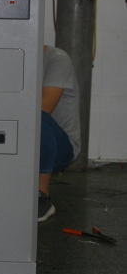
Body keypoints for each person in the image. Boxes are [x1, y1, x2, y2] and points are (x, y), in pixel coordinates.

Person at [38, 45, 81, 221]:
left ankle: (42, 195)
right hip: (33, 140)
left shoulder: (57, 59)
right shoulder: (11, 60)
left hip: (62, 147)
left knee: (37, 117)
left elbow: (45, 107)